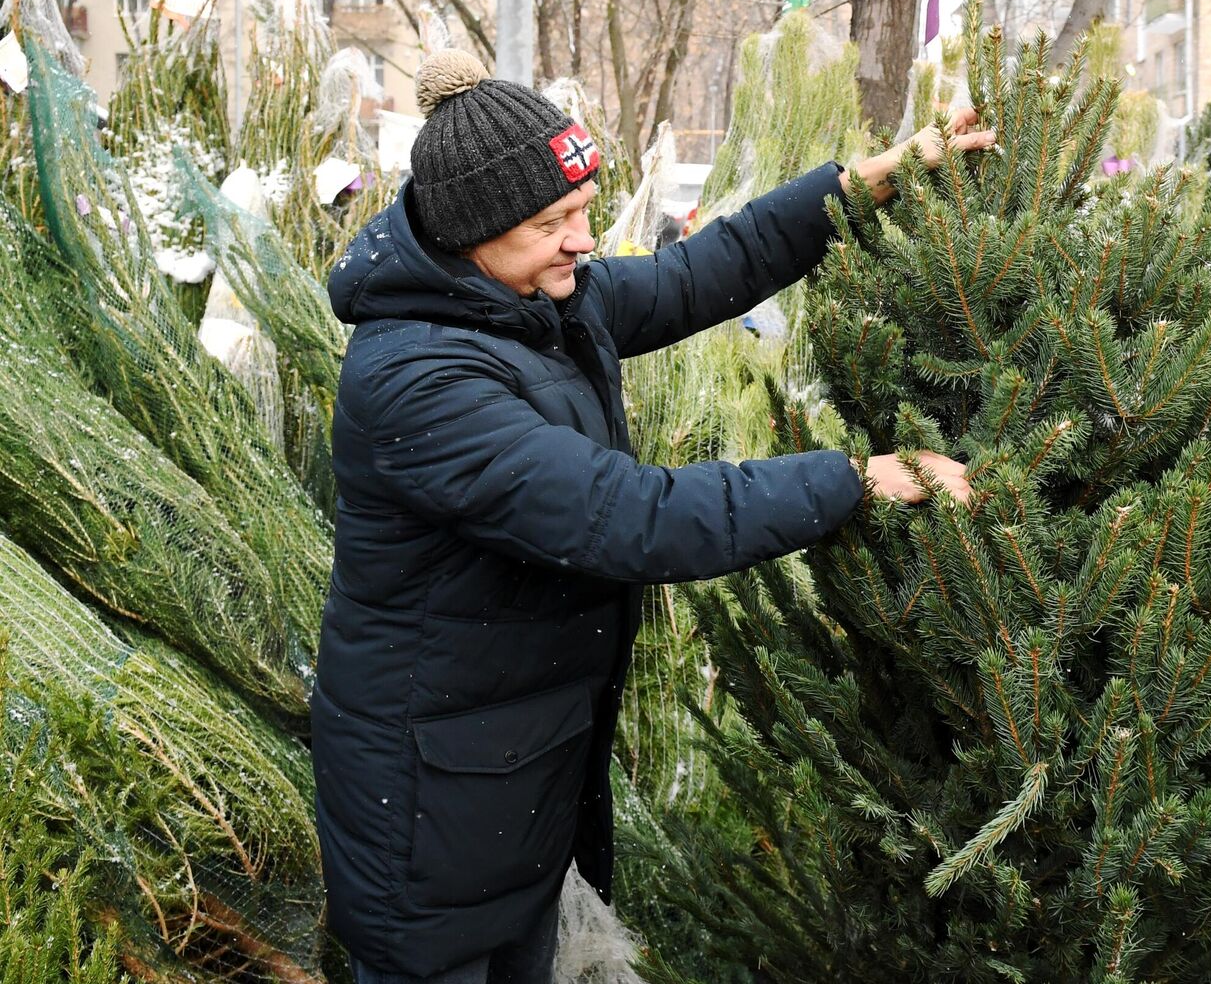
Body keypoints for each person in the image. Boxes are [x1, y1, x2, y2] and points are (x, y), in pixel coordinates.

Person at [315, 48, 993, 983]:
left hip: (503, 770)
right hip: (430, 808)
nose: (583, 240)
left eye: (584, 211)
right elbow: (631, 517)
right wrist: (856, 480)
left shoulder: (531, 300)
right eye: (553, 222)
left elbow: (701, 271)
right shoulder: (419, 380)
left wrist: (867, 184)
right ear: (472, 234)